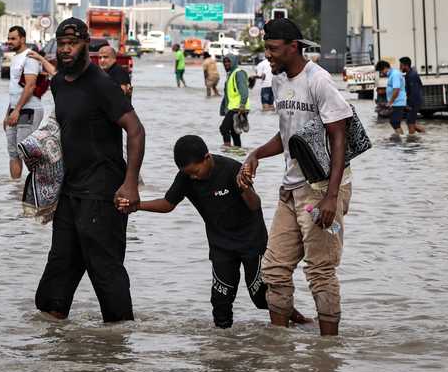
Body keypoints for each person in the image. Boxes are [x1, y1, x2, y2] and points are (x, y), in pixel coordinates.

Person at [238, 18, 353, 337]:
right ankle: (279, 347)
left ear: (293, 47)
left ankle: (328, 354)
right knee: (274, 268)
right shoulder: (277, 81)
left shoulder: (319, 80)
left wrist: (331, 197)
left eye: (273, 49)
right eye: (266, 49)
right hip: (290, 192)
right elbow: (289, 135)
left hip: (320, 191)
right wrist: (256, 154)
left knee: (320, 270)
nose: (269, 56)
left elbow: (338, 136)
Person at [122, 136, 307, 327]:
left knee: (260, 296)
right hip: (221, 245)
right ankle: (222, 347)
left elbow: (255, 205)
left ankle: (299, 321)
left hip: (252, 241)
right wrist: (137, 206)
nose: (193, 176)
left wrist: (245, 189)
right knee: (220, 301)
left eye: (195, 171)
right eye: (189, 173)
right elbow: (168, 204)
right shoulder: (186, 177)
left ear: (207, 157)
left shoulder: (231, 169)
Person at [35, 18, 145, 323]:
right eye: (62, 44)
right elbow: (64, 132)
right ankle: (55, 344)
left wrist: (130, 184)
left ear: (87, 45)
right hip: (70, 191)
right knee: (59, 269)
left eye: (73, 44)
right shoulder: (58, 83)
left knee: (105, 269)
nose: (66, 50)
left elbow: (135, 130)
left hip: (103, 191)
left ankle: (119, 341)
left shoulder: (101, 85)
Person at [5, 25, 45, 180]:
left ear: (22, 39)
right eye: (9, 38)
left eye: (13, 38)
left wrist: (17, 110)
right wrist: (8, 113)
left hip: (29, 109)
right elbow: (14, 89)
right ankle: (15, 189)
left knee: (26, 151)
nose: (10, 41)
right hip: (15, 109)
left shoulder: (30, 57)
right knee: (13, 152)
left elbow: (30, 86)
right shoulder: (15, 58)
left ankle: (40, 184)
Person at [219, 54, 251, 148]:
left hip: (238, 107)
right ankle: (237, 152)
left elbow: (244, 90)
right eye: (224, 62)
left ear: (234, 62)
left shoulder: (238, 73)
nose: (226, 64)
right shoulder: (230, 75)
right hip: (233, 107)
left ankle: (227, 149)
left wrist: (242, 105)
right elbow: (227, 95)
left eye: (229, 61)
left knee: (224, 128)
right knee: (234, 132)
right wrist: (223, 109)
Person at [377, 60, 407, 138]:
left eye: (381, 71)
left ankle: (401, 140)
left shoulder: (395, 74)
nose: (381, 73)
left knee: (394, 122)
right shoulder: (393, 74)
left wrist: (390, 102)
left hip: (398, 102)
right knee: (394, 122)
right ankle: (400, 138)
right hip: (396, 102)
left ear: (385, 68)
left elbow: (396, 89)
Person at [399, 56, 425, 134]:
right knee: (410, 122)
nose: (400, 67)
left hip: (414, 102)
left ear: (406, 65)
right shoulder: (409, 74)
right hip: (412, 101)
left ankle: (412, 141)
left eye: (401, 65)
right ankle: (424, 134)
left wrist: (410, 105)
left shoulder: (411, 75)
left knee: (410, 123)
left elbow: (415, 91)